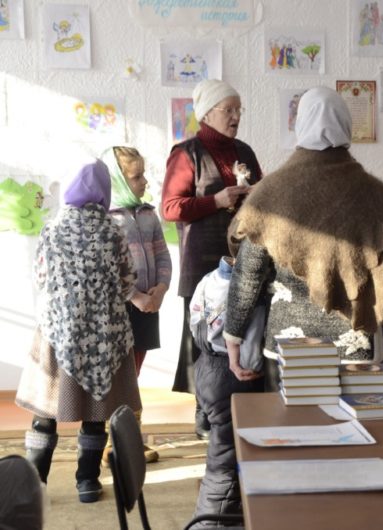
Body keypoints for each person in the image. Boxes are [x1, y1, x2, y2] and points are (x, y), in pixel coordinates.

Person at [223, 86, 383, 388]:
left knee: (289, 419)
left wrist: (233, 337)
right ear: (346, 125)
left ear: (300, 124)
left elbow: (248, 274)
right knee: (355, 420)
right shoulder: (376, 197)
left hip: (287, 348)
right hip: (358, 348)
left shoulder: (270, 194)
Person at [15, 159, 142, 503]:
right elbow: (128, 281)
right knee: (97, 412)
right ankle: (87, 481)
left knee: (45, 411)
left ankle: (35, 482)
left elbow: (41, 278)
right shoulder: (114, 231)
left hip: (59, 331)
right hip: (105, 335)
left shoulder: (52, 229)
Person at [161, 78, 261, 439]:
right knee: (204, 339)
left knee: (244, 331)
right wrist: (216, 201)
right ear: (207, 113)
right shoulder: (186, 153)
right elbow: (170, 208)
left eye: (239, 109)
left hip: (244, 263)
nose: (236, 116)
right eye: (228, 109)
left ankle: (241, 402)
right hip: (202, 265)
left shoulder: (244, 152)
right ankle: (204, 410)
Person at [102, 146, 171, 464]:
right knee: (120, 376)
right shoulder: (106, 218)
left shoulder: (147, 213)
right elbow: (109, 266)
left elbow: (163, 255)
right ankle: (112, 442)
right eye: (136, 176)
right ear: (117, 179)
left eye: (143, 175)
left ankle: (131, 438)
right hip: (122, 308)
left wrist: (160, 290)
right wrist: (135, 296)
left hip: (149, 304)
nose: (144, 181)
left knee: (135, 373)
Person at [189, 256, 266, 522]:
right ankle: (212, 521)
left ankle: (211, 515)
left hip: (205, 367)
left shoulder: (209, 279)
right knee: (226, 460)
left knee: (219, 450)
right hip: (233, 376)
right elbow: (251, 358)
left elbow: (194, 321)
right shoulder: (249, 291)